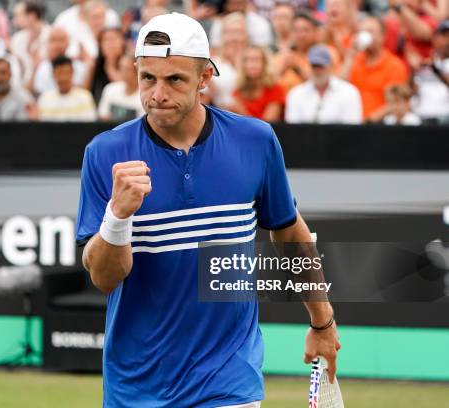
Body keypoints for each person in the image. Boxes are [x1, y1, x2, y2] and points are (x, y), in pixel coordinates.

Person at [76, 12, 339, 407]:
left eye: (174, 79)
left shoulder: (255, 140)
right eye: (147, 78)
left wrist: (322, 321)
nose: (157, 94)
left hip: (228, 380)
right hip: (136, 386)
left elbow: (288, 233)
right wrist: (118, 216)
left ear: (205, 78)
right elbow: (104, 278)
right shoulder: (104, 154)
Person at [344, 16, 409, 121]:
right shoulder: (354, 61)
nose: (365, 35)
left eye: (370, 31)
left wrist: (368, 121)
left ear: (382, 36)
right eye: (362, 31)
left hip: (380, 127)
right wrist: (350, 57)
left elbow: (396, 103)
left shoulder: (394, 65)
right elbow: (339, 88)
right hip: (351, 123)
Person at [286, 44, 362, 124]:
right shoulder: (296, 94)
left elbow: (352, 129)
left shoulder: (349, 93)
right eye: (314, 66)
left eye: (321, 66)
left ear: (331, 66)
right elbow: (293, 129)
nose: (317, 70)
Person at [231, 45, 285, 121]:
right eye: (248, 60)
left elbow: (268, 124)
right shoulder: (238, 91)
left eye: (256, 59)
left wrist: (241, 111)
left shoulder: (275, 88)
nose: (252, 64)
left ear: (265, 63)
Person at [207, 12, 249, 109]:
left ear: (246, 35)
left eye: (238, 32)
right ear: (222, 35)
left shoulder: (255, 60)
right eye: (229, 32)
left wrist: (238, 62)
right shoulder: (213, 61)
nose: (234, 37)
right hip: (220, 112)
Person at [410, 19, 449, 123]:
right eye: (444, 36)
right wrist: (412, 71)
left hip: (445, 117)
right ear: (435, 38)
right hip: (422, 117)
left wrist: (435, 70)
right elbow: (412, 91)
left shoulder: (430, 65)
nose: (447, 41)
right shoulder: (424, 63)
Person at [37, 55, 96, 121]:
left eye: (66, 72)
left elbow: (90, 126)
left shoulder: (85, 97)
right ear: (53, 74)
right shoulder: (44, 99)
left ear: (72, 72)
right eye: (59, 73)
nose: (63, 77)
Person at [32, 26, 88, 95]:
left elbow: (82, 92)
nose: (57, 44)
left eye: (61, 40)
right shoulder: (41, 68)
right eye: (53, 40)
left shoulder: (79, 66)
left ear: (68, 43)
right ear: (47, 43)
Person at [10, 0, 48, 84]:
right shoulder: (17, 39)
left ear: (32, 16)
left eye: (18, 16)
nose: (14, 20)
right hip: (23, 86)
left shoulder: (51, 35)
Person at [85, 27, 126, 105]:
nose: (110, 44)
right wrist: (90, 69)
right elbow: (84, 93)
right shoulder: (96, 63)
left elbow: (124, 87)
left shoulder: (130, 62)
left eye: (113, 39)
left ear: (122, 41)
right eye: (105, 40)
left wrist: (110, 65)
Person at [97, 54, 144, 121]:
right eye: (120, 67)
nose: (123, 72)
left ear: (137, 71)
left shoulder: (143, 96)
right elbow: (102, 116)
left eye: (127, 69)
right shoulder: (110, 89)